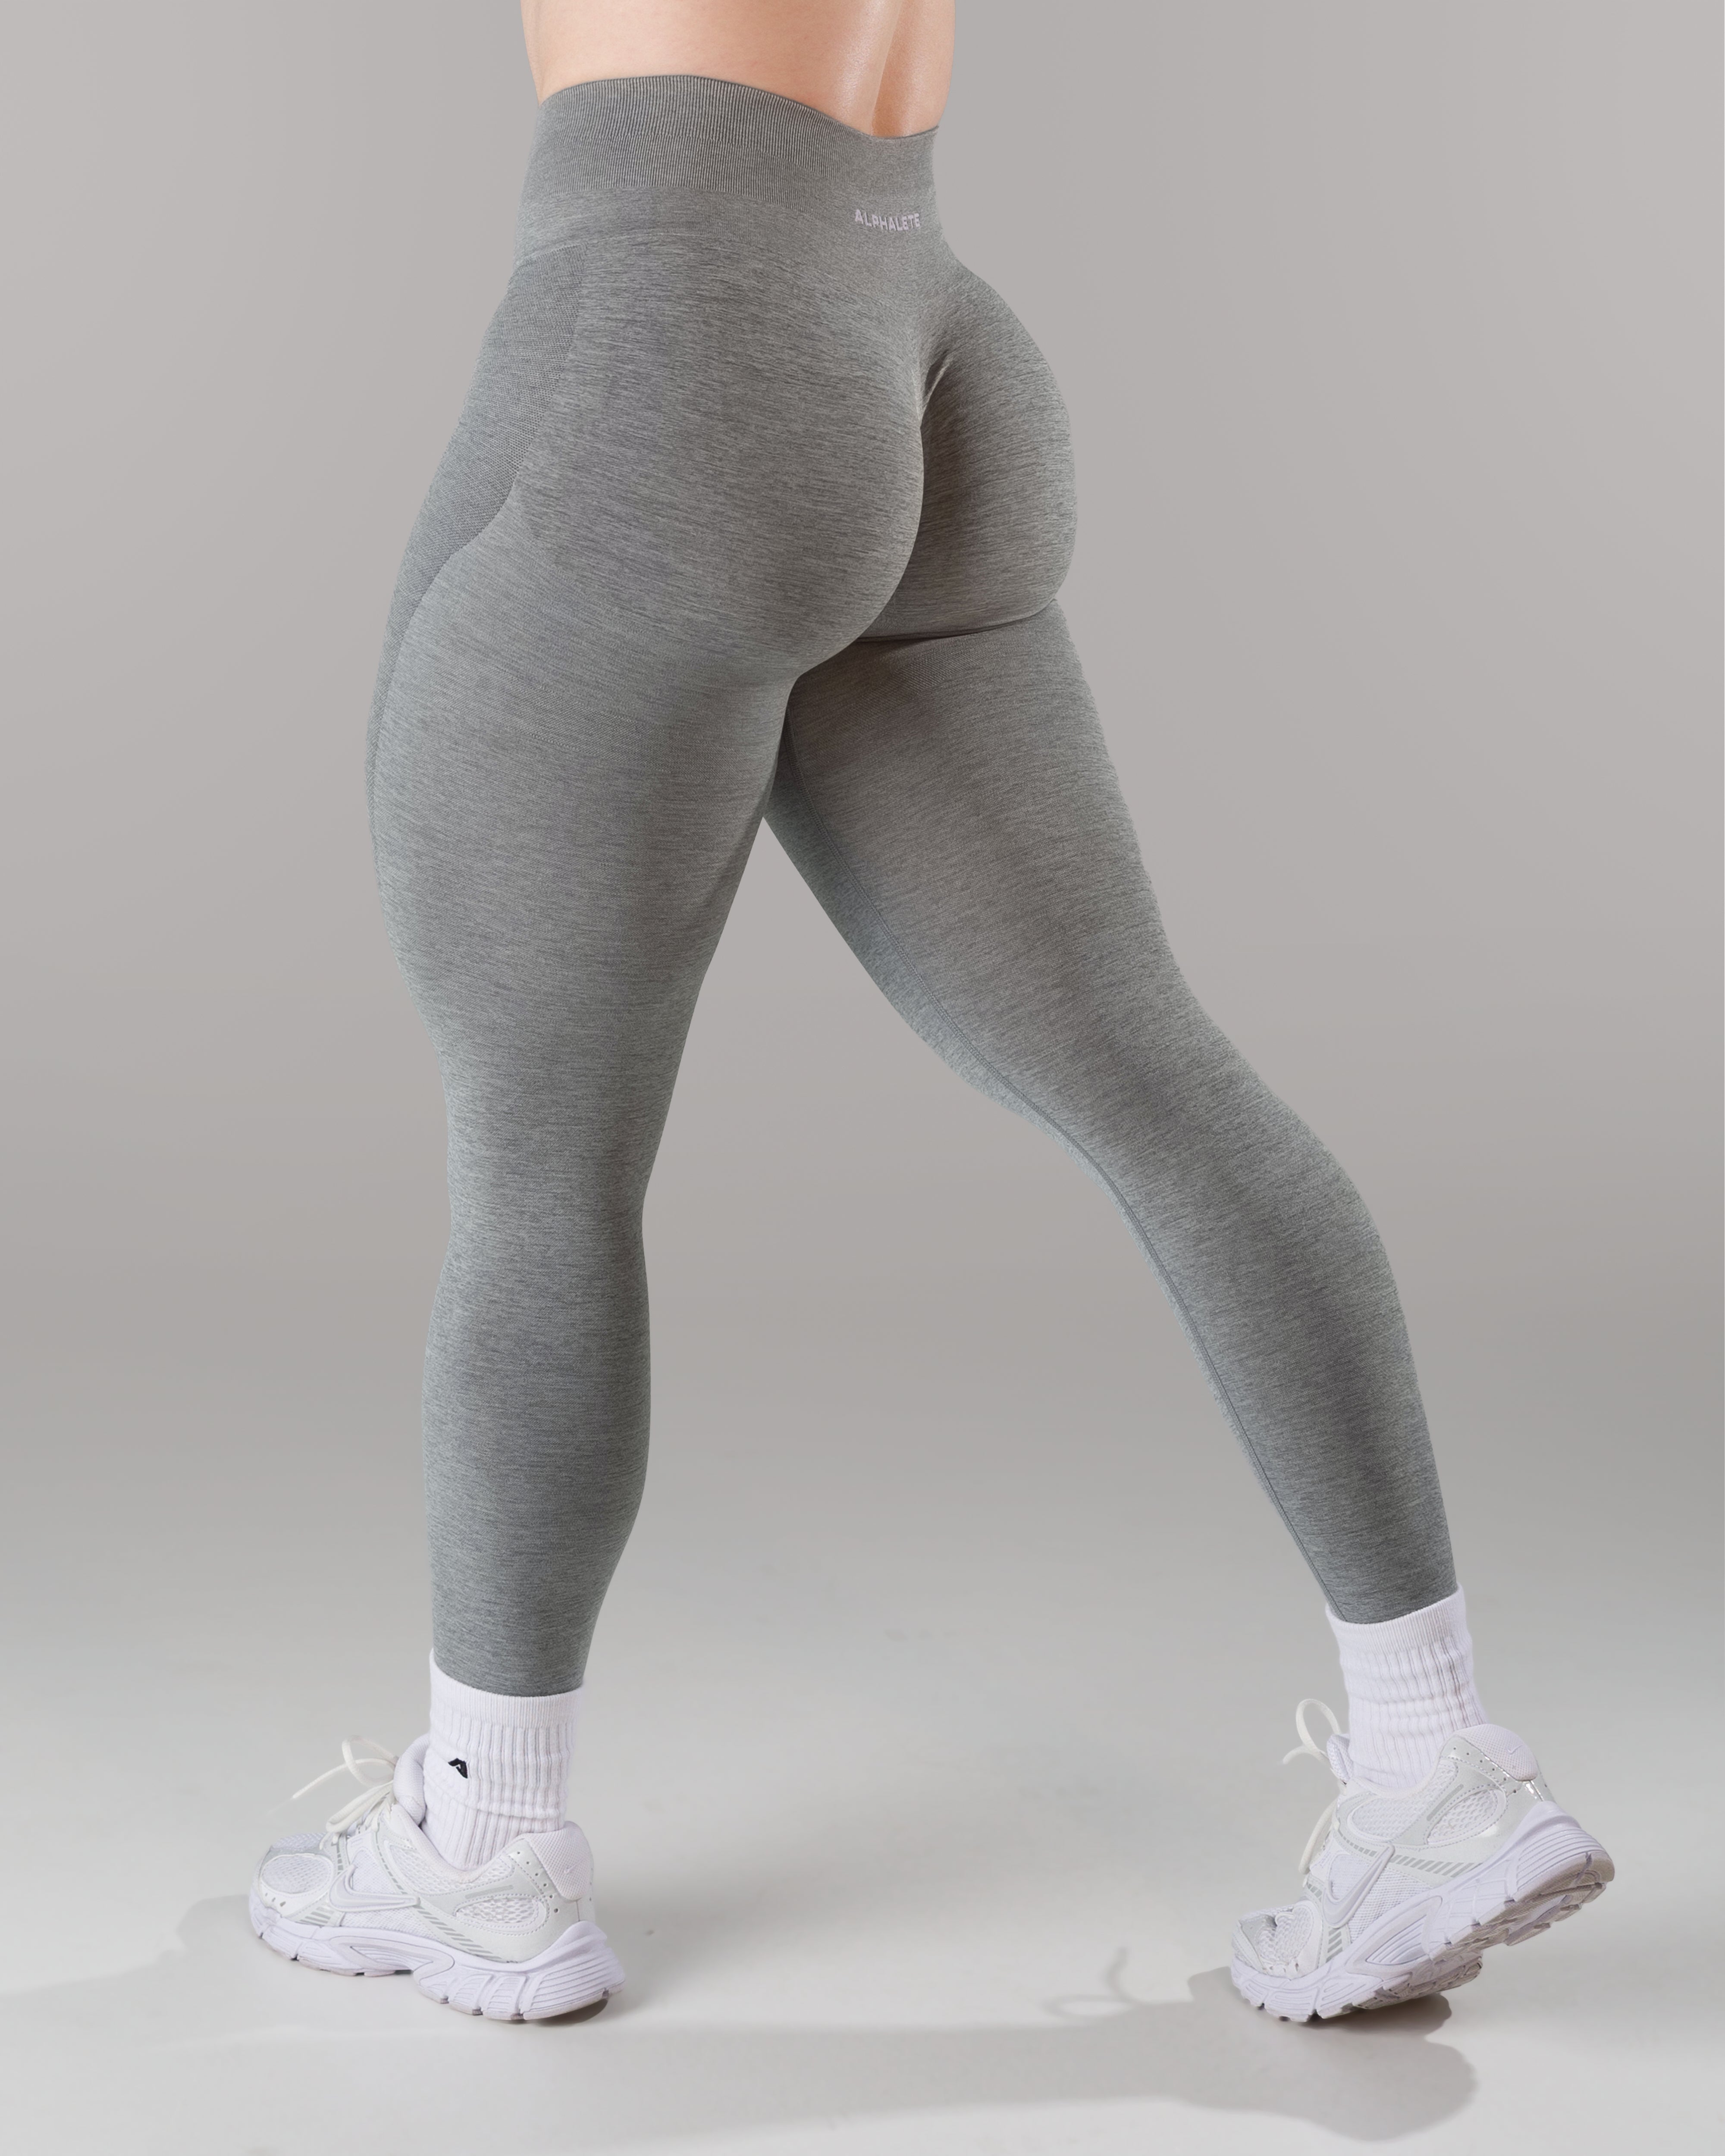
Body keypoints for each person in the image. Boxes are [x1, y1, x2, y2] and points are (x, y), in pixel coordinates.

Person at [250, 0, 1611, 2024]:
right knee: (1153, 1070)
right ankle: (1437, 1760)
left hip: (666, 337)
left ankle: (486, 1846)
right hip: (915, 327)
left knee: (540, 1152)